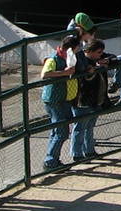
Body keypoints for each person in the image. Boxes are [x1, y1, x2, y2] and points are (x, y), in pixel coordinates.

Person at [40, 34, 80, 169]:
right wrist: (64, 73)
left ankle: (52, 159)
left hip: (63, 99)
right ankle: (50, 161)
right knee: (61, 131)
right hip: (54, 100)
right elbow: (45, 74)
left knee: (58, 130)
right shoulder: (53, 59)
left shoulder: (68, 58)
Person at [72, 39, 110, 162]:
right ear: (90, 51)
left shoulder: (94, 62)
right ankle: (77, 154)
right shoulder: (83, 63)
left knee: (89, 127)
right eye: (99, 52)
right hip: (83, 100)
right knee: (80, 127)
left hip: (94, 100)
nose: (101, 54)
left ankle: (89, 151)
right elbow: (84, 80)